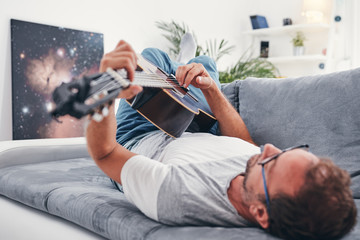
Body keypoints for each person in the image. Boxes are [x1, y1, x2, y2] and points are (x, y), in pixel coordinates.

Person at [86, 40, 357, 240]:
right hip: (202, 127)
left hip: (146, 134)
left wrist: (104, 94)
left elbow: (106, 153)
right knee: (205, 65)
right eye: (288, 151)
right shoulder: (262, 176)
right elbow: (246, 145)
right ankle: (184, 74)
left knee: (152, 55)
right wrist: (213, 90)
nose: (270, 148)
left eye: (272, 162)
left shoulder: (176, 192)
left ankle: (173, 74)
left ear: (260, 214)